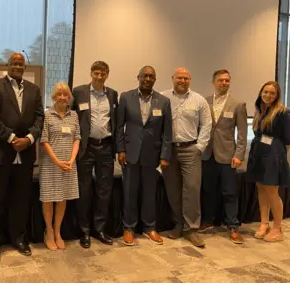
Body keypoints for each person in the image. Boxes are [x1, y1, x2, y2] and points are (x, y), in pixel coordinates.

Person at [0, 52, 44, 262]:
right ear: (7, 65)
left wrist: (29, 139)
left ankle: (18, 238)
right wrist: (11, 137)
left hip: (25, 155)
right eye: (14, 63)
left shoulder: (34, 90)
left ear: (25, 67)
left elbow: (39, 117)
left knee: (21, 201)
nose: (17, 66)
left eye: (21, 64)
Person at [116, 66, 172, 246]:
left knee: (150, 193)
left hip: (152, 156)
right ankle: (129, 228)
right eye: (144, 76)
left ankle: (149, 227)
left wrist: (164, 156)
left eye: (151, 76)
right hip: (130, 154)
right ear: (138, 77)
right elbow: (119, 127)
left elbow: (167, 132)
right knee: (129, 192)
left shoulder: (163, 101)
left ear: (155, 79)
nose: (148, 79)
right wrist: (121, 150)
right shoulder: (126, 97)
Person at [161, 67, 212, 248]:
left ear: (190, 80)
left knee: (191, 189)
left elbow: (207, 124)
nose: (182, 81)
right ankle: (178, 225)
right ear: (172, 78)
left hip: (191, 149)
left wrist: (200, 147)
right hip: (169, 152)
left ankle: (192, 229)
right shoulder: (162, 97)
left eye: (186, 78)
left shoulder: (199, 100)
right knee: (173, 189)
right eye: (179, 78)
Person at [72, 61, 118, 248]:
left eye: (103, 74)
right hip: (86, 147)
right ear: (91, 73)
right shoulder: (79, 92)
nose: (99, 77)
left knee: (104, 190)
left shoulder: (113, 94)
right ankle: (84, 231)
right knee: (84, 190)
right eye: (96, 73)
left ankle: (99, 229)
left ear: (107, 75)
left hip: (106, 147)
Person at [199, 69, 247, 244]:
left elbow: (242, 133)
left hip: (228, 156)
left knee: (229, 192)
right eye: (220, 80)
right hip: (207, 154)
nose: (224, 83)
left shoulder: (238, 104)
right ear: (213, 82)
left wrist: (239, 154)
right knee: (207, 190)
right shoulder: (204, 101)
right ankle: (207, 221)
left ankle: (233, 226)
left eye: (227, 81)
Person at [246, 81, 290, 242]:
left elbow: (288, 140)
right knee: (261, 187)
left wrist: (279, 159)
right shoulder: (260, 109)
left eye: (272, 93)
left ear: (277, 95)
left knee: (272, 191)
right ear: (261, 92)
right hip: (258, 152)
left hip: (273, 155)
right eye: (265, 92)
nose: (268, 95)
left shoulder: (283, 113)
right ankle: (264, 223)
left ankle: (277, 228)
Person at [39, 82, 80, 250]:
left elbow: (77, 138)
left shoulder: (74, 116)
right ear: (54, 96)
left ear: (69, 97)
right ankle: (48, 232)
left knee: (62, 198)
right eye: (59, 94)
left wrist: (71, 160)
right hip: (51, 164)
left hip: (69, 164)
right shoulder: (47, 115)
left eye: (65, 94)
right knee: (49, 199)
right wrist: (57, 162)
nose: (62, 97)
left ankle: (57, 232)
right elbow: (44, 140)